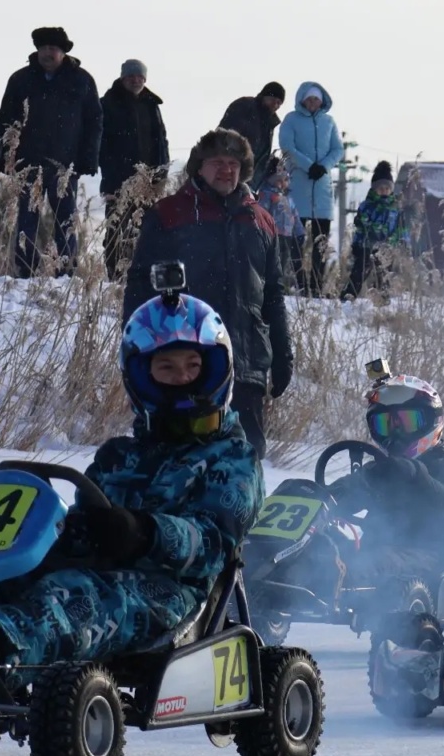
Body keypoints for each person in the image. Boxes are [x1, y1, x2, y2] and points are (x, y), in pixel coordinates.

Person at [0, 291, 262, 668]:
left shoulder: (234, 459)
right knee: (0, 577)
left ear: (214, 368)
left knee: (73, 593)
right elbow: (76, 532)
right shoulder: (118, 456)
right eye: (166, 367)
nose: (182, 378)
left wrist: (144, 533)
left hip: (172, 594)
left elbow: (213, 543)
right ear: (143, 376)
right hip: (100, 572)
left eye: (193, 365)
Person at [123, 129, 292, 459]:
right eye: (217, 162)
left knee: (245, 460)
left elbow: (273, 294)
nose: (226, 170)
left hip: (246, 364)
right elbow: (140, 286)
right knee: (173, 458)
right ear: (199, 167)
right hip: (184, 365)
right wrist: (133, 349)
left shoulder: (262, 221)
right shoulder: (168, 214)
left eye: (233, 164)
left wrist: (282, 353)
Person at [328, 373, 444, 584]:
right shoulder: (381, 470)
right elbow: (348, 490)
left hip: (433, 558)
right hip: (380, 552)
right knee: (325, 550)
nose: (396, 434)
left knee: (374, 561)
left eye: (407, 422)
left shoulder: (441, 466)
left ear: (431, 422)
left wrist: (416, 475)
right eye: (385, 425)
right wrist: (322, 499)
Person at [0, 27, 102, 277]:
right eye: (43, 48)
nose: (47, 53)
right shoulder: (21, 79)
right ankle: (25, 270)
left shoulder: (81, 80)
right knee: (26, 220)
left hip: (65, 164)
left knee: (66, 221)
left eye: (53, 48)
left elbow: (94, 121)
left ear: (63, 52)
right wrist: (6, 156)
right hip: (28, 162)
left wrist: (89, 158)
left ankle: (65, 272)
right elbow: (6, 119)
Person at [99, 59, 169, 278]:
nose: (135, 80)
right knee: (116, 230)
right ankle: (114, 275)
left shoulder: (151, 105)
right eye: (131, 76)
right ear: (123, 78)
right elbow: (101, 144)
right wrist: (110, 177)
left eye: (140, 77)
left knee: (145, 231)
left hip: (148, 182)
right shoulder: (108, 103)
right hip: (118, 181)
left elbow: (161, 141)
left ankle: (140, 275)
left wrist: (162, 174)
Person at [277, 82, 342, 296]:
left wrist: (323, 166)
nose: (313, 102)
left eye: (316, 99)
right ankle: (299, 282)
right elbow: (287, 146)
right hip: (298, 187)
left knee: (320, 243)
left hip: (322, 190)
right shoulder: (291, 120)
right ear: (302, 100)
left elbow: (337, 149)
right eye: (309, 99)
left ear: (322, 101)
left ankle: (316, 285)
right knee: (295, 242)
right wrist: (308, 165)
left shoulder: (329, 122)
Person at [341, 161, 407, 300]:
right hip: (366, 246)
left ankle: (382, 299)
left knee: (384, 274)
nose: (384, 191)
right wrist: (357, 243)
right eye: (380, 188)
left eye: (387, 188)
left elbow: (401, 227)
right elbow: (360, 225)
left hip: (386, 247)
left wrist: (401, 241)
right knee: (359, 272)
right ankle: (348, 296)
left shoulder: (395, 208)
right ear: (374, 189)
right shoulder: (367, 206)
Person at [219, 82, 286, 193]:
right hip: (229, 175)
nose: (275, 105)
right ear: (264, 96)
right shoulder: (245, 106)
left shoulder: (269, 123)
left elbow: (259, 156)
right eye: (272, 99)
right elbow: (225, 136)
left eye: (279, 103)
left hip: (247, 184)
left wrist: (270, 165)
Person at [256, 156, 305, 293]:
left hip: (287, 235)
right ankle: (267, 285)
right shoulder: (266, 194)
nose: (282, 184)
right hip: (273, 234)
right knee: (272, 261)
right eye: (278, 180)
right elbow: (261, 213)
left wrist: (300, 232)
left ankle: (278, 285)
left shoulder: (288, 197)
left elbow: (295, 215)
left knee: (283, 261)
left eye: (285, 180)